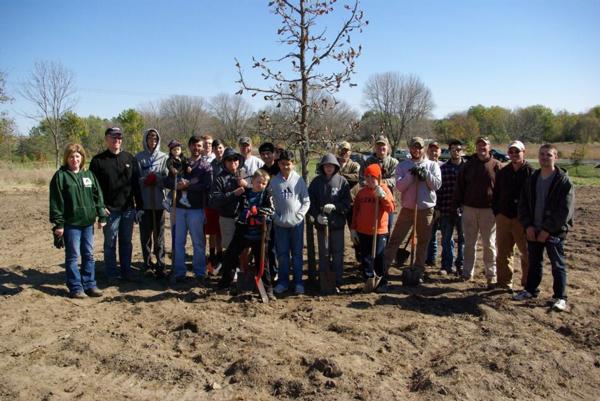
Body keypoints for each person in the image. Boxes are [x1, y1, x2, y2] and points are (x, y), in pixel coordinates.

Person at [513, 144, 574, 311]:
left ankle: (560, 297)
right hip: (534, 230)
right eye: (542, 155)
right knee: (534, 262)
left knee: (557, 265)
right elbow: (523, 205)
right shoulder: (532, 178)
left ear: (556, 157)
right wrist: (528, 226)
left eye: (548, 155)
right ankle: (531, 290)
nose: (545, 158)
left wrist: (547, 230)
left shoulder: (563, 181)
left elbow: (565, 211)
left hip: (554, 232)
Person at [50, 143, 107, 298]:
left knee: (89, 254)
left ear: (82, 158)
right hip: (71, 224)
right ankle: (76, 288)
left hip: (88, 223)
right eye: (71, 156)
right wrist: (59, 224)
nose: (74, 159)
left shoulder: (88, 175)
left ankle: (90, 285)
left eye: (77, 156)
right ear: (66, 158)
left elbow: (98, 196)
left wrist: (102, 215)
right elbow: (56, 202)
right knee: (73, 256)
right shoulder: (61, 176)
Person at [90, 127, 143, 283]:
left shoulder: (129, 158)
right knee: (110, 243)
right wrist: (100, 207)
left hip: (127, 210)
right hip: (109, 211)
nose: (117, 140)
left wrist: (139, 206)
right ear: (106, 139)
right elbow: (93, 188)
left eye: (119, 138)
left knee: (126, 242)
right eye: (113, 137)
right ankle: (112, 274)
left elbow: (136, 184)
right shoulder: (98, 161)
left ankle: (126, 272)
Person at [384, 137, 442, 272]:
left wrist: (426, 173)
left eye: (419, 147)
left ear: (424, 149)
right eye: (414, 147)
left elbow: (436, 185)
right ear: (410, 148)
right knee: (396, 239)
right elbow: (399, 186)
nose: (417, 150)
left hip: (426, 209)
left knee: (423, 241)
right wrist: (410, 176)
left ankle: (418, 269)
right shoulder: (403, 165)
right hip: (408, 209)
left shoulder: (432, 165)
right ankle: (384, 266)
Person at [453, 136, 503, 288]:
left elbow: (502, 190)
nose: (482, 148)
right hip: (469, 209)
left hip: (489, 211)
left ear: (489, 148)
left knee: (489, 244)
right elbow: (459, 186)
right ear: (475, 147)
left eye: (485, 146)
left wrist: (498, 208)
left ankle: (491, 275)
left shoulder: (497, 166)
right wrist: (458, 204)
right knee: (469, 243)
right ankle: (467, 272)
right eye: (479, 145)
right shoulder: (468, 166)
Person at [219, 169, 275, 297]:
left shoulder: (267, 194)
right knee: (230, 256)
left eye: (263, 183)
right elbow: (238, 210)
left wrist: (257, 211)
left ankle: (267, 290)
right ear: (252, 181)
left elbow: (272, 210)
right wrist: (245, 214)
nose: (260, 185)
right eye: (258, 182)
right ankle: (225, 284)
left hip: (260, 235)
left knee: (262, 263)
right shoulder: (245, 194)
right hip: (243, 232)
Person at [167, 135, 212, 284]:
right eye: (194, 145)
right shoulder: (180, 162)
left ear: (202, 148)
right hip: (179, 208)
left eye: (199, 146)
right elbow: (168, 179)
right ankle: (180, 272)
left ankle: (199, 271)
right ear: (189, 146)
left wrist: (188, 186)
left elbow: (206, 186)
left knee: (198, 242)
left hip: (196, 209)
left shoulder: (205, 166)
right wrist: (176, 184)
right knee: (179, 241)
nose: (196, 148)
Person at [492, 140, 534, 291]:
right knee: (503, 253)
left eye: (517, 151)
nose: (514, 154)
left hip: (522, 219)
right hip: (503, 217)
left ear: (524, 153)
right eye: (511, 152)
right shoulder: (504, 172)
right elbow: (496, 194)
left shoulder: (531, 173)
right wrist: (497, 213)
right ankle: (504, 283)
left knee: (526, 253)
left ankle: (528, 284)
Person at [308, 153, 351, 292]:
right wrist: (317, 216)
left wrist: (336, 207)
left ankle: (337, 281)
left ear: (335, 167)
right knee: (324, 253)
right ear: (322, 167)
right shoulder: (316, 182)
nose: (328, 168)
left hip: (337, 224)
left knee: (338, 254)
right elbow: (310, 203)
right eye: (326, 166)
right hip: (322, 225)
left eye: (331, 166)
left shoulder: (342, 181)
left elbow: (347, 203)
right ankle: (323, 280)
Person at [270, 150, 310, 295]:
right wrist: (275, 217)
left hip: (296, 224)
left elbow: (306, 201)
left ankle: (298, 282)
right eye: (282, 164)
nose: (285, 167)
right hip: (280, 224)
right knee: (282, 254)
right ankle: (283, 282)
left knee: (297, 254)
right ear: (278, 164)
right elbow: (270, 202)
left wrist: (299, 216)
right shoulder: (274, 182)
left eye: (288, 164)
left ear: (293, 164)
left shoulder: (299, 180)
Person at [351, 164, 395, 292]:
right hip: (363, 231)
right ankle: (368, 280)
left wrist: (383, 197)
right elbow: (356, 211)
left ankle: (382, 282)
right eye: (367, 176)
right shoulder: (361, 192)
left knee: (379, 257)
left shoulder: (384, 189)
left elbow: (391, 208)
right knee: (366, 257)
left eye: (373, 177)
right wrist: (353, 228)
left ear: (379, 177)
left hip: (379, 231)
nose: (370, 179)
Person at [135, 128, 168, 277]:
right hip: (145, 203)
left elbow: (167, 179)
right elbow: (136, 180)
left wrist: (158, 179)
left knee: (159, 236)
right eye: (150, 138)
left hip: (159, 203)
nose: (152, 141)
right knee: (145, 236)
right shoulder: (139, 157)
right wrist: (145, 180)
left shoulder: (164, 158)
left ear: (158, 140)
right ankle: (147, 263)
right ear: (146, 140)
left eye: (155, 139)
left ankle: (161, 263)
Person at [436, 140, 466, 275]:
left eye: (459, 149)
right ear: (449, 151)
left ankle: (461, 265)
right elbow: (439, 190)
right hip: (446, 208)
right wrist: (438, 208)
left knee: (462, 239)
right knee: (446, 239)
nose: (456, 152)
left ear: (462, 151)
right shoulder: (443, 169)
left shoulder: (467, 168)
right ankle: (446, 265)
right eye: (453, 149)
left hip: (463, 210)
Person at [211, 147, 246, 255]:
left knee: (243, 247)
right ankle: (230, 270)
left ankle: (242, 270)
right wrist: (233, 193)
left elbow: (254, 194)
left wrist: (247, 186)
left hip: (243, 218)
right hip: (227, 218)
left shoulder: (244, 174)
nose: (233, 162)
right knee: (229, 247)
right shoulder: (219, 178)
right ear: (224, 162)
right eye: (229, 159)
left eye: (235, 159)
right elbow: (216, 199)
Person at [362, 135, 399, 232]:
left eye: (383, 145)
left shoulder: (394, 162)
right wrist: (371, 184)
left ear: (388, 147)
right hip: (369, 200)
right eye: (378, 145)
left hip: (387, 200)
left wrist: (380, 184)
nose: (381, 148)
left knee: (386, 228)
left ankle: (384, 247)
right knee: (370, 228)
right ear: (375, 147)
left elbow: (395, 179)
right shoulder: (368, 161)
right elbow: (361, 179)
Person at [206, 138, 226, 271]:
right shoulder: (210, 165)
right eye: (216, 148)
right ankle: (212, 256)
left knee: (221, 232)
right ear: (212, 150)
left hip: (225, 204)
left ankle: (221, 255)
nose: (218, 150)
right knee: (212, 231)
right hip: (211, 203)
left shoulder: (228, 163)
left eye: (220, 147)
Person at [425, 141, 443, 267]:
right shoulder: (425, 166)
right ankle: (430, 258)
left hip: (443, 205)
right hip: (429, 205)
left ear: (440, 152)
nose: (434, 153)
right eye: (431, 150)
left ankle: (446, 262)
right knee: (429, 233)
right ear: (427, 152)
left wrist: (440, 207)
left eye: (436, 150)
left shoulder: (443, 166)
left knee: (446, 236)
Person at [164, 139, 191, 209]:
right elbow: (169, 165)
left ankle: (184, 198)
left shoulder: (183, 158)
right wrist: (172, 169)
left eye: (178, 149)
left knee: (186, 185)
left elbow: (187, 163)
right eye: (174, 150)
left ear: (180, 150)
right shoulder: (171, 159)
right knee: (174, 188)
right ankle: (167, 200)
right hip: (173, 177)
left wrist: (188, 167)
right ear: (171, 151)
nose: (176, 151)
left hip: (181, 176)